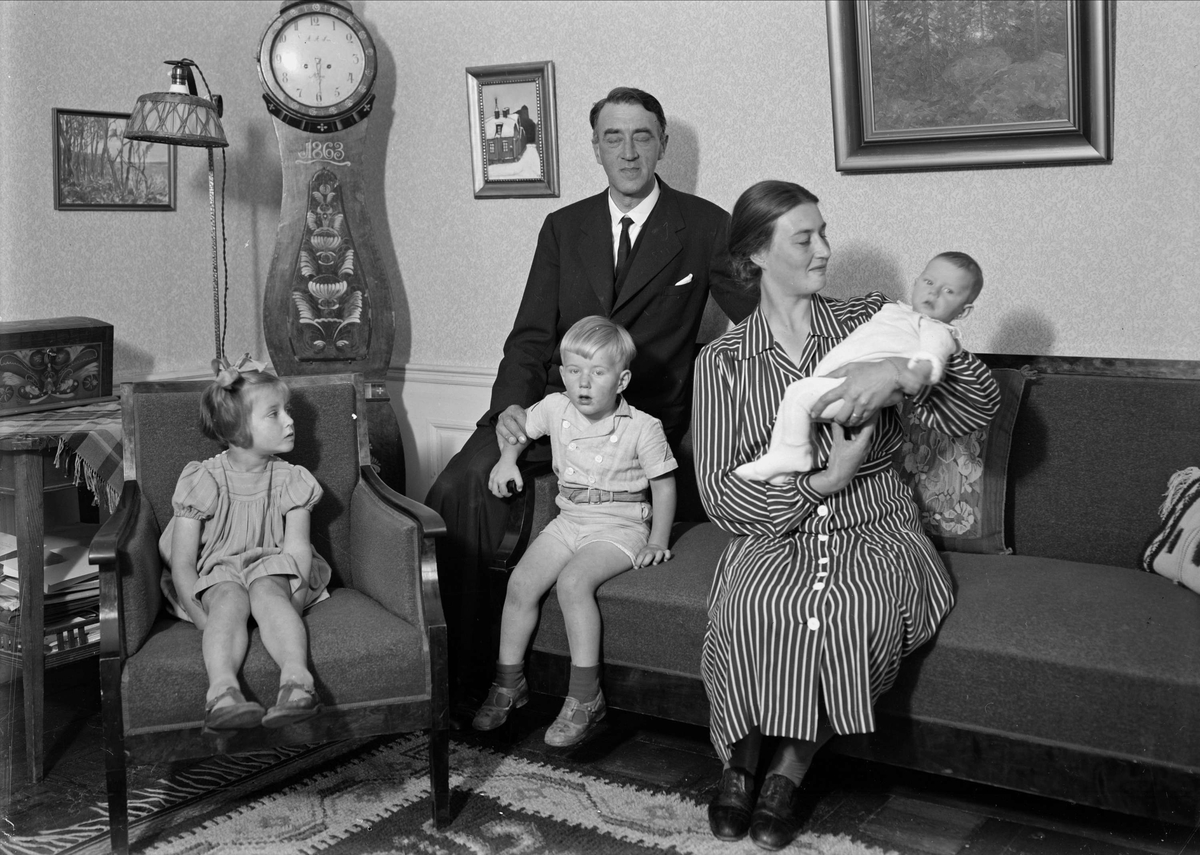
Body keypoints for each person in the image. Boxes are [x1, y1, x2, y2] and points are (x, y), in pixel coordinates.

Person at [426, 86, 757, 713]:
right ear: (596, 148)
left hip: (636, 422)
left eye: (641, 137)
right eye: (613, 137)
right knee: (460, 485)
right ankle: (463, 677)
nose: (628, 152)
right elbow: (530, 336)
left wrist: (841, 342)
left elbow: (762, 314)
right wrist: (509, 411)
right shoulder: (563, 227)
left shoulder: (706, 225)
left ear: (662, 144)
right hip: (556, 408)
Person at [694, 181, 1000, 850]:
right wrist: (821, 483)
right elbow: (720, 494)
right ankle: (740, 760)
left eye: (824, 232)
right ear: (756, 254)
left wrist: (897, 368)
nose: (825, 249)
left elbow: (976, 409)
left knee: (853, 610)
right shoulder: (722, 362)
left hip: (877, 524)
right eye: (805, 238)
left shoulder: (874, 318)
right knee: (753, 605)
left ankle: (788, 771)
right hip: (778, 528)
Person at [472, 316, 677, 746]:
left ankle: (586, 697)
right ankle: (509, 683)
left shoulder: (643, 426)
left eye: (597, 372)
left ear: (621, 380)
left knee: (573, 582)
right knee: (521, 582)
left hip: (620, 526)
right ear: (562, 372)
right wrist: (507, 460)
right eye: (573, 370)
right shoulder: (554, 407)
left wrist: (658, 539)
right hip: (568, 520)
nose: (583, 383)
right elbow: (518, 431)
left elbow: (663, 485)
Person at [158, 358, 332, 731]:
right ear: (237, 429)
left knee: (268, 589)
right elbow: (183, 561)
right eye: (274, 413)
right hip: (220, 571)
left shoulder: (291, 479)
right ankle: (222, 692)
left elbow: (297, 549)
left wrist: (295, 598)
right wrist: (198, 614)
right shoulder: (202, 479)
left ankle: (298, 682)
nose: (290, 421)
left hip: (274, 567)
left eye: (287, 410)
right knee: (226, 597)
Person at [734, 251, 983, 483]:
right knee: (796, 398)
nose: (934, 293)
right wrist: (829, 482)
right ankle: (782, 465)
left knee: (797, 395)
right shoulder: (895, 311)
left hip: (853, 395)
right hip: (836, 387)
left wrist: (899, 372)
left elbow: (933, 362)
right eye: (929, 282)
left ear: (964, 311)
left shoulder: (933, 329)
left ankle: (791, 456)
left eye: (949, 291)